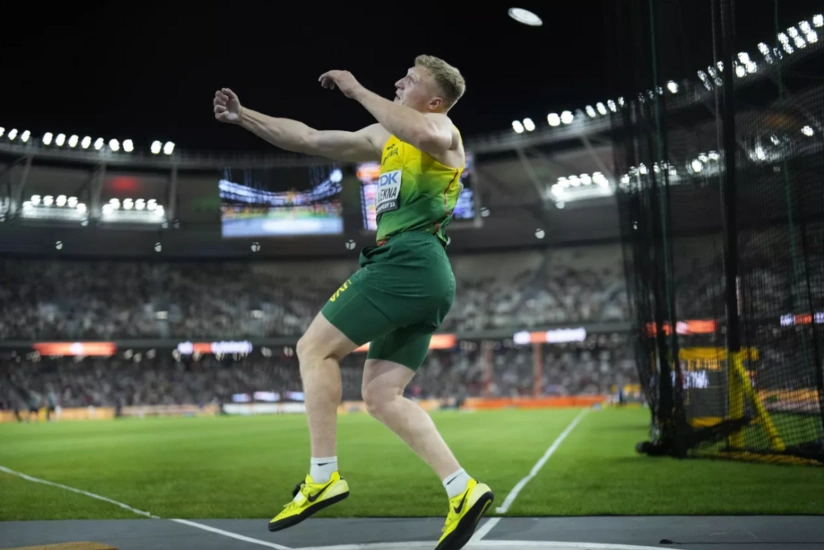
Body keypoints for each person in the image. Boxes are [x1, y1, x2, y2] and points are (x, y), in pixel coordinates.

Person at [214, 54, 493, 550]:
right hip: (421, 270)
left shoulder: (441, 127)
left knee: (313, 349)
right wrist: (245, 117)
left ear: (433, 99)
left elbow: (425, 135)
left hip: (407, 260)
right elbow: (307, 138)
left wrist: (357, 89)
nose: (397, 82)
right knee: (383, 398)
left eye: (408, 81)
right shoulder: (385, 138)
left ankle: (323, 475)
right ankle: (463, 489)